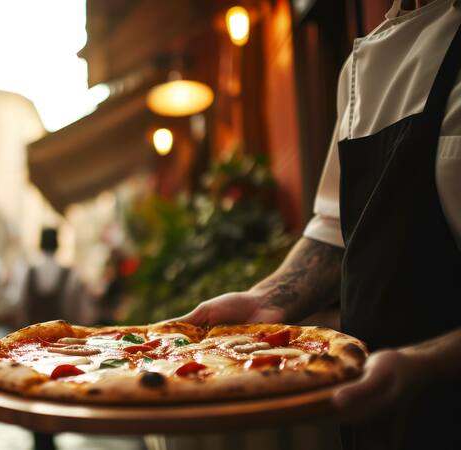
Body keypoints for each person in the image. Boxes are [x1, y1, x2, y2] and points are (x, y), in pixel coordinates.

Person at [172, 1, 461, 448]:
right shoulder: (359, 70)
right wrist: (262, 300)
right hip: (378, 411)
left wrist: (423, 362)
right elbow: (334, 231)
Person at [20, 227, 89, 450]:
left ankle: (41, 440)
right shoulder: (70, 274)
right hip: (61, 351)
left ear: (40, 244)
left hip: (30, 350)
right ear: (58, 245)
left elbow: (20, 309)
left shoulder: (28, 272)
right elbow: (79, 316)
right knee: (55, 395)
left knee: (34, 396)